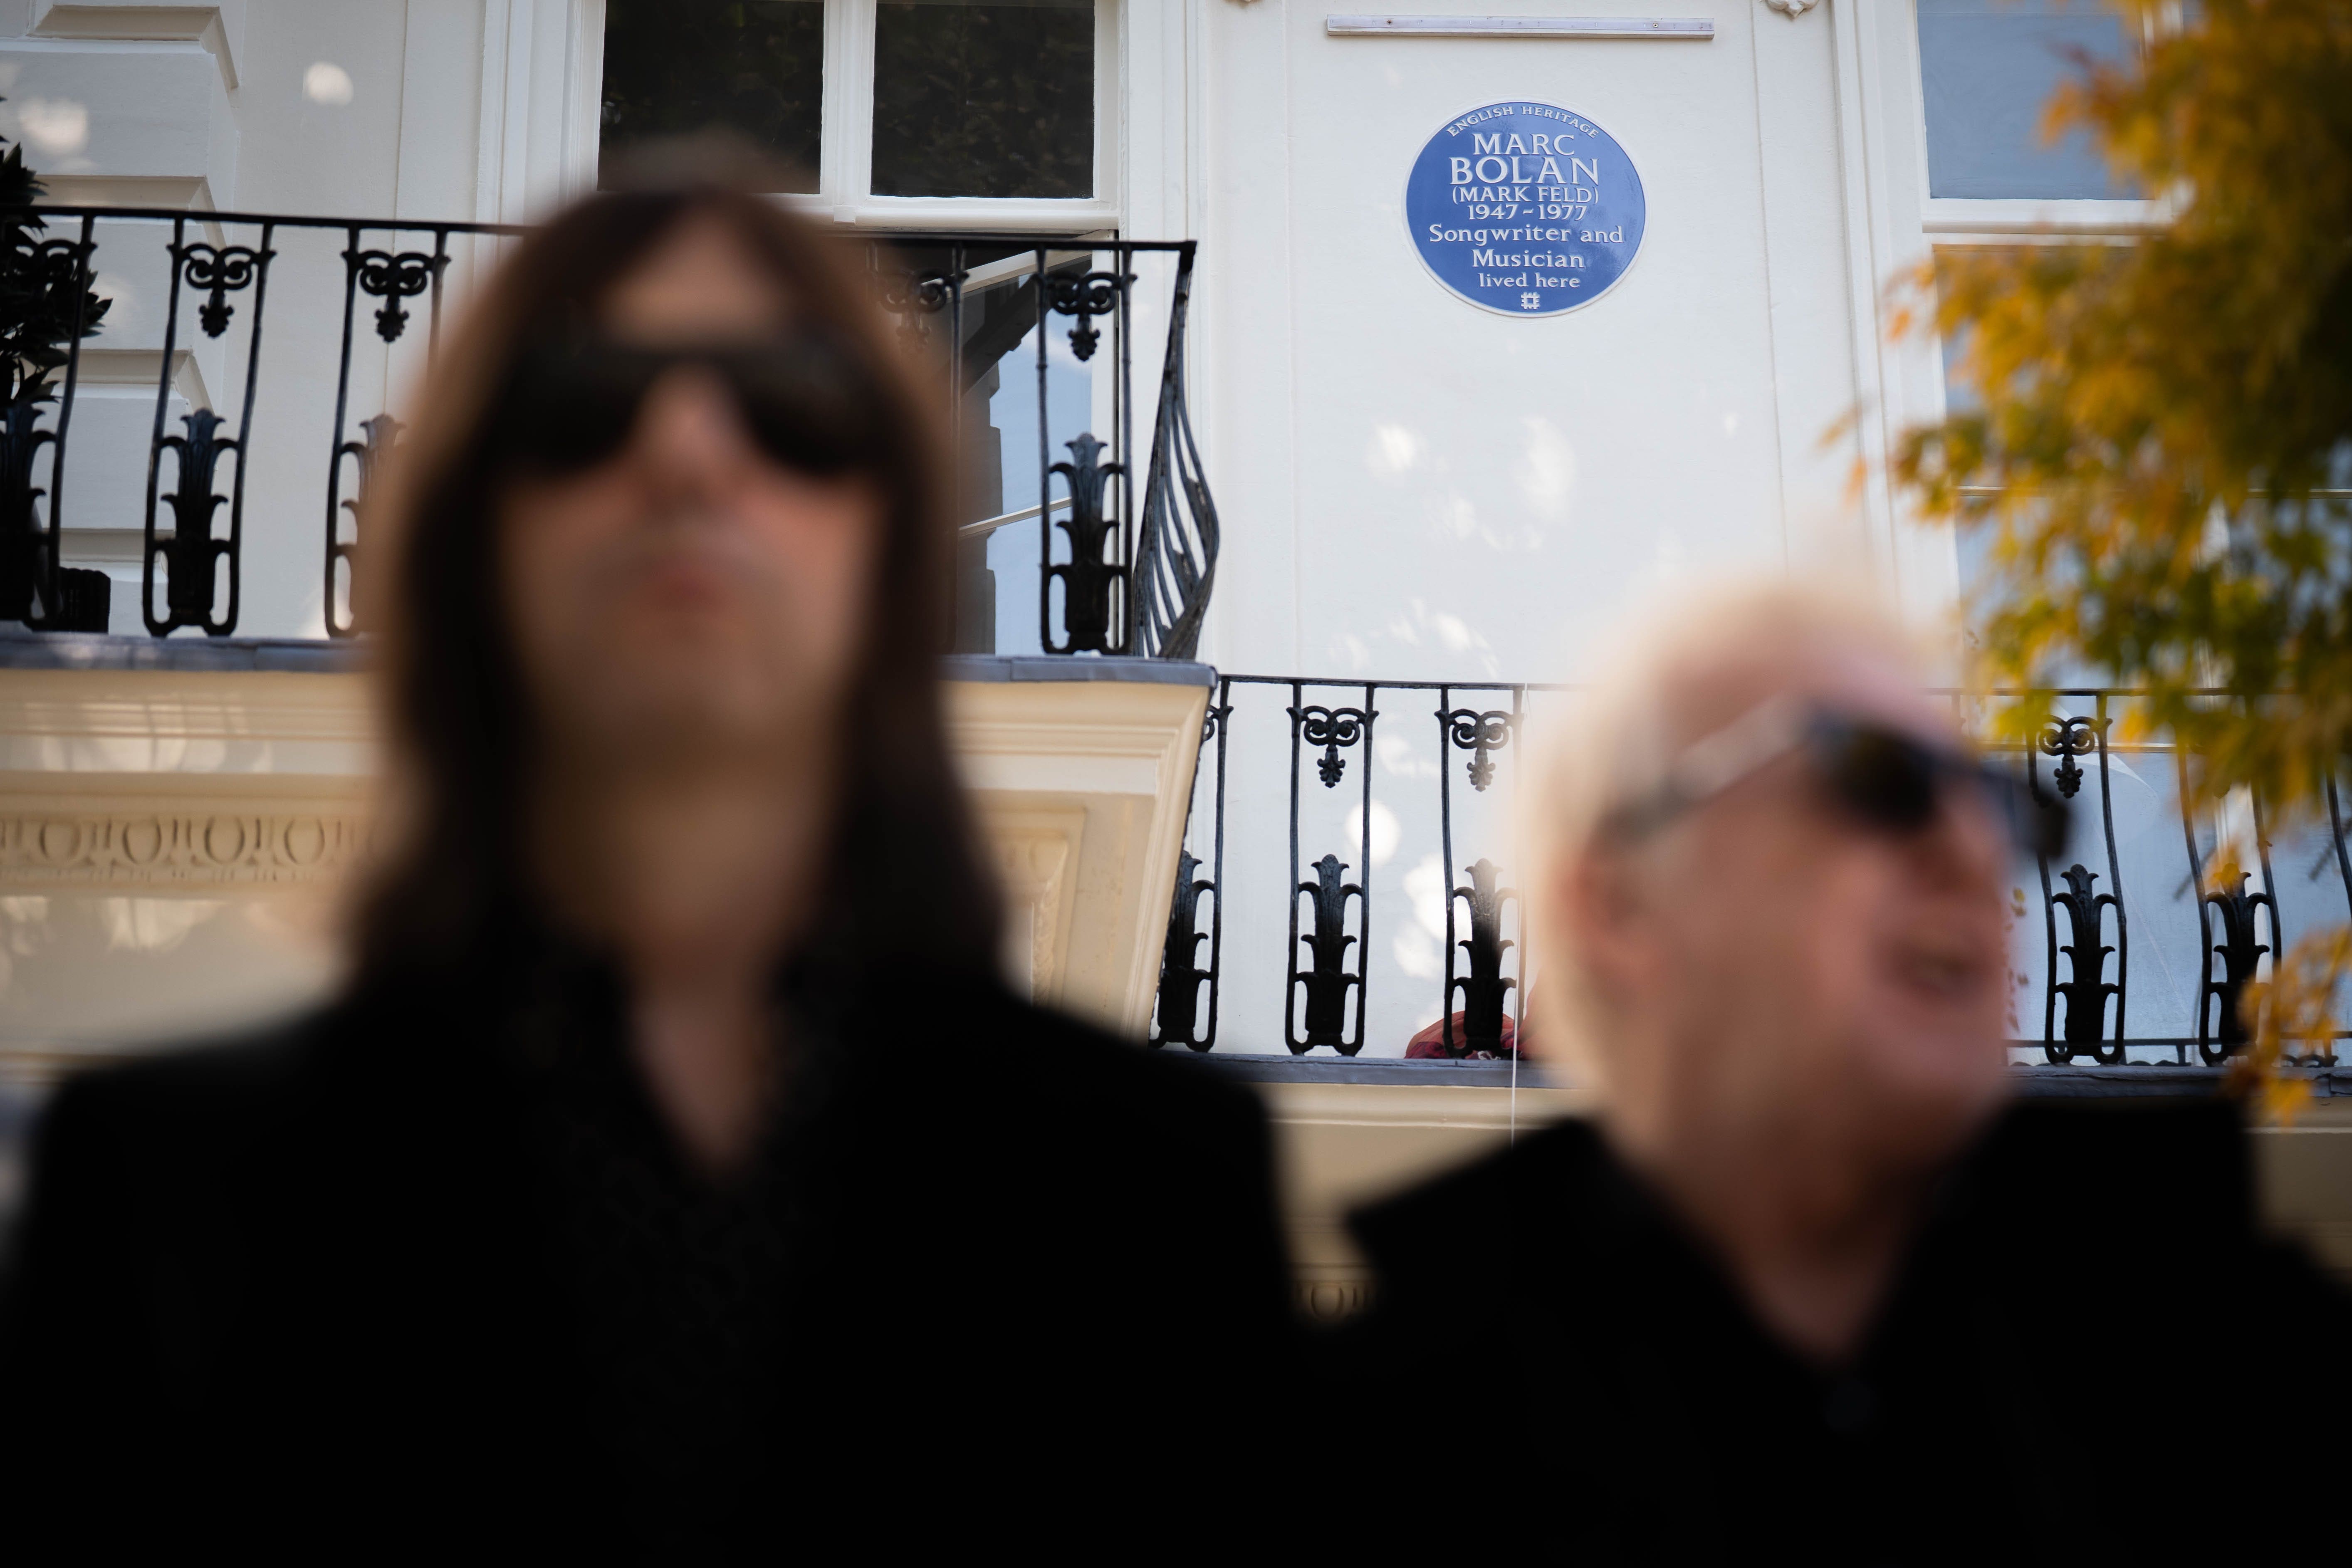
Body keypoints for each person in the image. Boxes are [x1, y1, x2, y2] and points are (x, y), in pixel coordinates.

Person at [0, 160, 1289, 1556]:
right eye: (584, 402)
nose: (686, 450)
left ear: (895, 546)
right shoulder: (166, 1193)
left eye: (791, 406)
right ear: (469, 542)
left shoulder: (1155, 1203)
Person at [1335, 582, 2349, 1560]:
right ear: (1620, 906)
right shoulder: (1378, 1463)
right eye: (1872, 778)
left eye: (2002, 806)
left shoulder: (2243, 1411)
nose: (1968, 849)